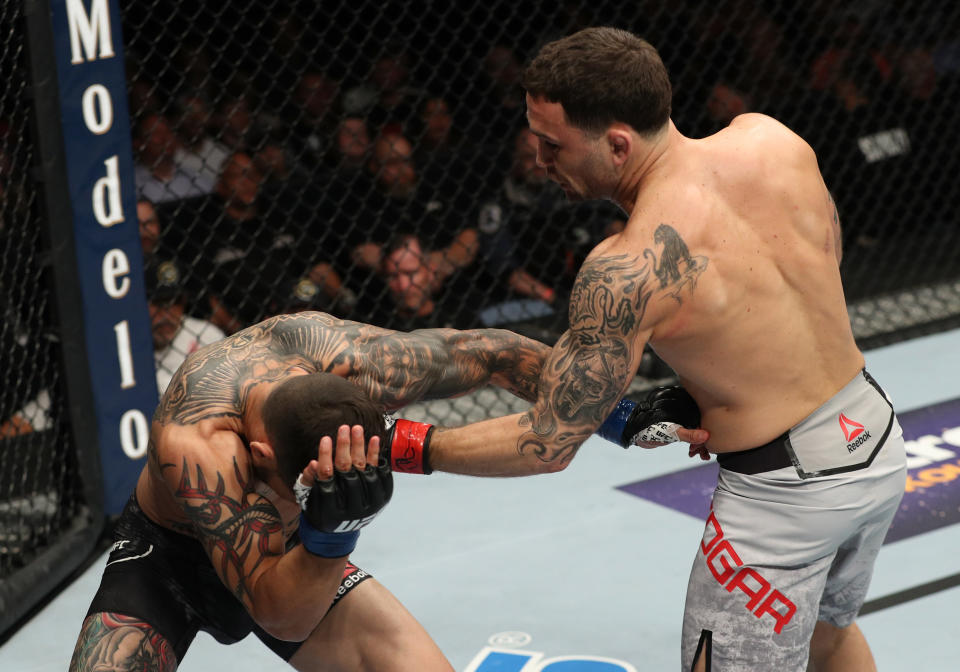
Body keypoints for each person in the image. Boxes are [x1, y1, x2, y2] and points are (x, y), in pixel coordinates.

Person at [365, 27, 906, 672]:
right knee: (828, 631)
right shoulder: (770, 139)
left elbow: (547, 442)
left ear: (618, 143)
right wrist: (722, 382)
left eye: (551, 143)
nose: (538, 159)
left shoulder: (625, 269)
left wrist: (399, 444)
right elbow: (822, 261)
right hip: (873, 438)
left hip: (783, 500)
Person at [68, 310, 698, 671]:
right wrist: (327, 532)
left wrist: (620, 417)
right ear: (261, 456)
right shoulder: (198, 440)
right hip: (171, 561)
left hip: (293, 555)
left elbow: (493, 351)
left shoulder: (352, 360)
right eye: (301, 487)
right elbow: (271, 604)